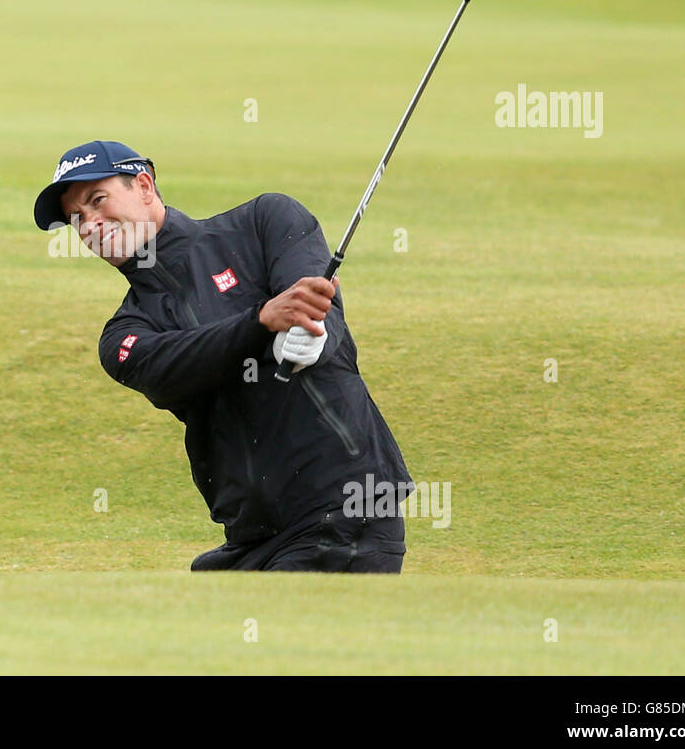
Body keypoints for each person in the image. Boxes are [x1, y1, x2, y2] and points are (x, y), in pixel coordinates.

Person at [34, 140, 414, 572]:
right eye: (76, 219)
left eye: (97, 201)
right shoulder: (124, 334)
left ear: (144, 185)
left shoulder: (264, 221)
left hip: (346, 511)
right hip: (254, 538)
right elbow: (175, 363)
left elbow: (312, 306)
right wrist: (260, 323)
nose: (89, 225)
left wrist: (313, 334)